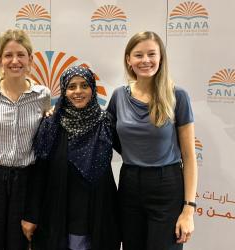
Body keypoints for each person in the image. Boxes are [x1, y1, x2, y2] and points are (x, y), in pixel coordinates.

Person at [107, 31, 198, 250]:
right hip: (129, 184)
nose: (145, 60)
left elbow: (189, 157)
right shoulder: (118, 96)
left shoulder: (178, 96)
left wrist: (188, 210)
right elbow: (106, 135)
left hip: (167, 185)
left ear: (161, 58)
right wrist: (55, 111)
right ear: (128, 60)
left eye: (151, 54)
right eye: (138, 55)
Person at [22, 66, 121, 250]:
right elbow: (40, 173)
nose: (78, 91)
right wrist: (31, 214)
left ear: (93, 89)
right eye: (72, 86)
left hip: (99, 209)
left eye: (84, 85)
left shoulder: (106, 121)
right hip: (60, 208)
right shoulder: (52, 124)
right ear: (64, 91)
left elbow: (132, 150)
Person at [0, 29, 51, 250]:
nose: (14, 61)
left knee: (19, 245)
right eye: (8, 55)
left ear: (30, 60)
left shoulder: (42, 95)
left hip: (25, 181)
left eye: (21, 55)